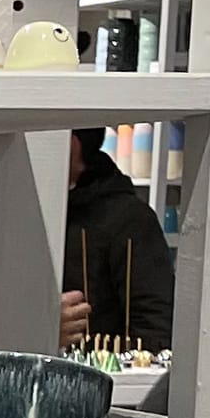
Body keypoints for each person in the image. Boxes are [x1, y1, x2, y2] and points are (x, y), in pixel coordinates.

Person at [63, 126, 175, 351]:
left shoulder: (130, 219)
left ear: (72, 145)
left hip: (104, 379)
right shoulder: (36, 209)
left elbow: (156, 331)